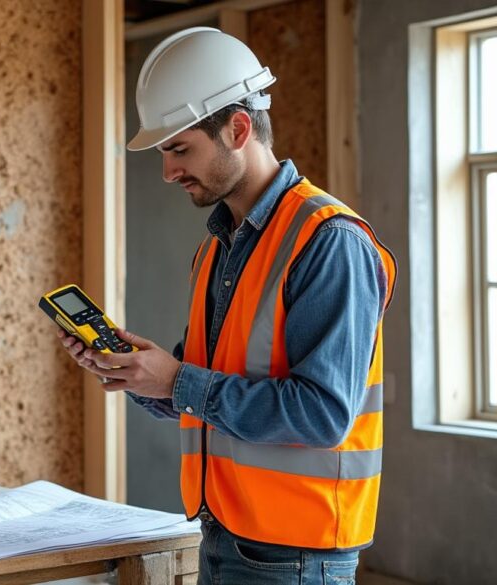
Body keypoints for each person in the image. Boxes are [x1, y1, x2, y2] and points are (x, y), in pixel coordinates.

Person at [57, 27, 396, 584]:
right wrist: (137, 375)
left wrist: (177, 382)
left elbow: (322, 415)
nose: (168, 172)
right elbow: (211, 395)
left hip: (296, 558)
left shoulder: (329, 241)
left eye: (179, 149)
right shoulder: (219, 247)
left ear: (238, 129)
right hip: (222, 537)